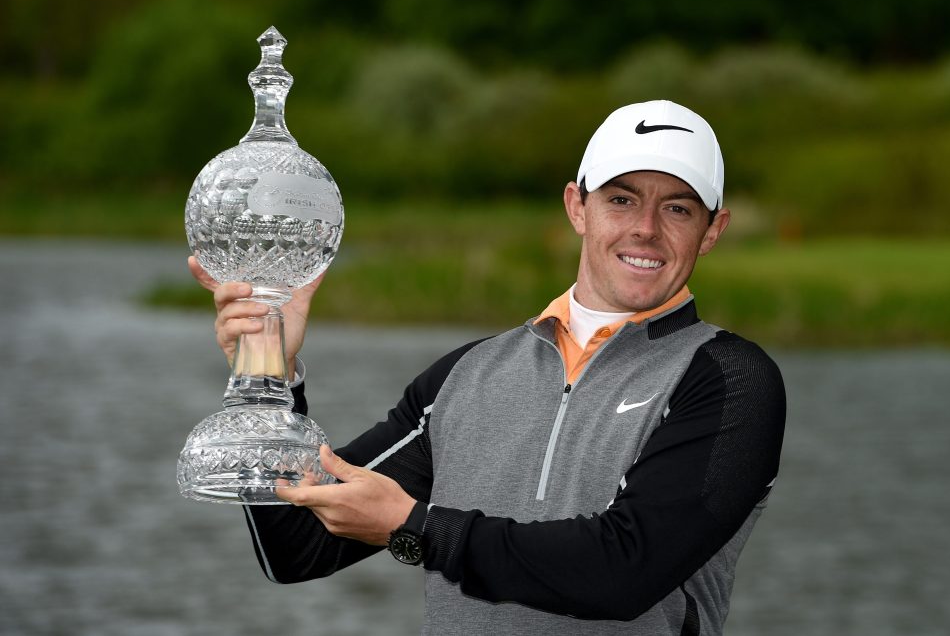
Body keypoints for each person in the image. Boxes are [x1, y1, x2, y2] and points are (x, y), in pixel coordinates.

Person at [189, 100, 786, 635]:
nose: (646, 229)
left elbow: (622, 573)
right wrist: (268, 374)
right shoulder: (466, 376)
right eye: (622, 198)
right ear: (578, 206)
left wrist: (415, 527)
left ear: (712, 232)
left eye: (678, 208)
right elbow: (296, 550)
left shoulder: (730, 379)